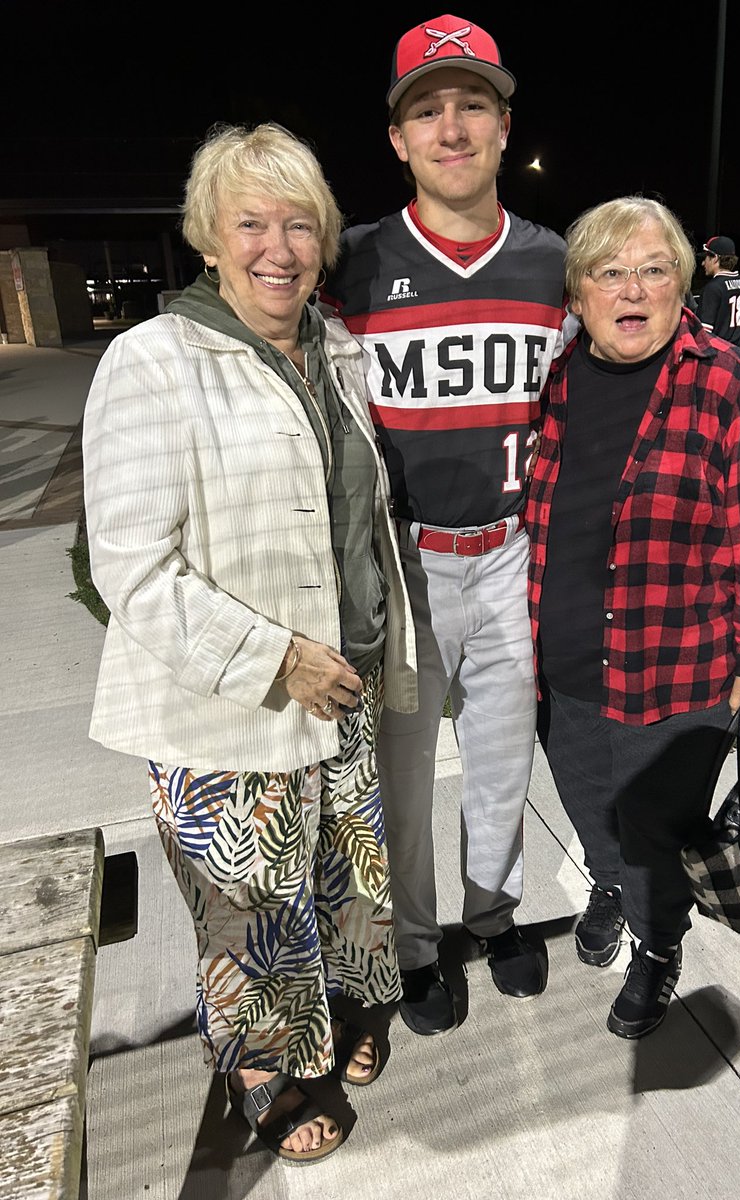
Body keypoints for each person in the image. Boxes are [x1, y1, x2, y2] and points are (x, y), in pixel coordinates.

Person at [81, 122, 417, 1162]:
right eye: (252, 224)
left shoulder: (338, 350)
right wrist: (277, 657)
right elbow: (130, 567)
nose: (280, 247)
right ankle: (269, 1068)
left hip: (344, 688)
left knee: (343, 878)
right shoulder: (153, 361)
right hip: (229, 709)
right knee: (251, 909)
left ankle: (349, 1009)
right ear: (210, 240)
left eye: (300, 224)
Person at [319, 14, 569, 1036]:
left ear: (506, 126)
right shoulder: (358, 262)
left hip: (508, 552)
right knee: (406, 777)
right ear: (398, 137)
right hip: (405, 561)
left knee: (504, 764)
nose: (452, 126)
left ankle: (495, 914)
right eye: (429, 108)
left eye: (472, 104)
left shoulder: (553, 262)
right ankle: (418, 948)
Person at [527, 196, 740, 1039]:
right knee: (586, 802)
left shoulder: (732, 383)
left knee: (655, 827)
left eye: (654, 270)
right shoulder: (555, 381)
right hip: (565, 657)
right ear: (578, 295)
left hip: (676, 668)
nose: (632, 289)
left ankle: (658, 946)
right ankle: (606, 883)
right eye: (610, 272)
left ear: (684, 286)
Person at [697, 234, 740, 347]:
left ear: (715, 258)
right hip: (739, 357)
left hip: (716, 359)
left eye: (706, 258)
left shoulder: (713, 288)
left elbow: (704, 333)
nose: (703, 263)